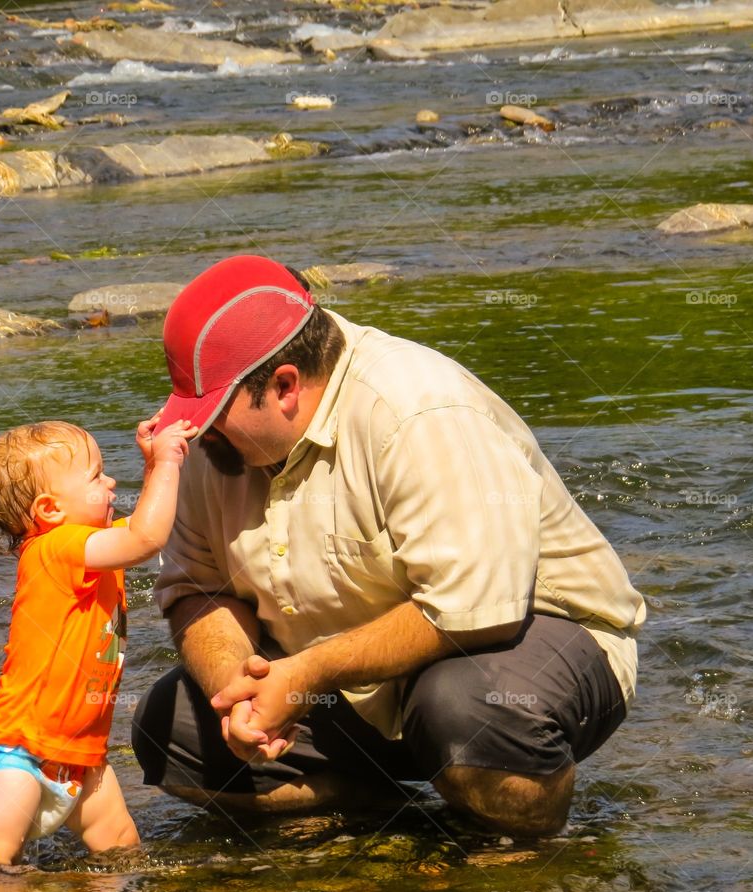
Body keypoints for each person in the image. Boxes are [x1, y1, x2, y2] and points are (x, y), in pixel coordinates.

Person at [131, 255, 645, 837]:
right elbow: (197, 588)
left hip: (529, 647)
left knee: (464, 705)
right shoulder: (213, 441)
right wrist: (237, 690)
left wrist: (304, 675)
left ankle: (528, 852)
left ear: (285, 387)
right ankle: (392, 814)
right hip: (346, 688)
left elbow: (474, 611)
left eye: (214, 413)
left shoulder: (419, 411)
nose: (199, 433)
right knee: (172, 728)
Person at [0, 415, 195, 865]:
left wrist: (153, 472)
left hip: (82, 756)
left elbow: (151, 525)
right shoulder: (57, 549)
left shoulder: (92, 543)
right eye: (96, 475)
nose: (111, 481)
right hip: (22, 752)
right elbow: (146, 538)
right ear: (50, 510)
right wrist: (167, 461)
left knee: (122, 854)